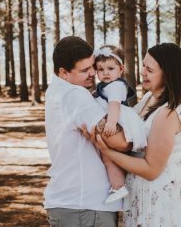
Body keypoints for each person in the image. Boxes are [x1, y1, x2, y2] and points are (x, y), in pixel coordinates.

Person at [90, 43, 181, 226]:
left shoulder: (168, 113)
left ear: (168, 74)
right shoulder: (150, 97)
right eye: (143, 66)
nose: (142, 72)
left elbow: (151, 169)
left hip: (161, 195)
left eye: (150, 69)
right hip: (142, 192)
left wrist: (107, 152)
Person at [43, 36, 130, 227]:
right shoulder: (75, 95)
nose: (93, 73)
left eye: (92, 66)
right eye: (84, 70)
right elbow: (122, 142)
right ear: (63, 72)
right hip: (85, 207)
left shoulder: (56, 91)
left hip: (73, 203)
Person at [93, 45, 147, 204]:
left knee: (108, 156)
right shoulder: (106, 85)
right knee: (107, 158)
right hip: (115, 121)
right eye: (100, 69)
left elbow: (114, 105)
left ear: (121, 68)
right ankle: (118, 186)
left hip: (119, 121)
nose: (105, 73)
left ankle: (118, 185)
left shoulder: (116, 86)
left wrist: (111, 122)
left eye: (110, 68)